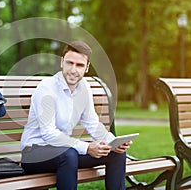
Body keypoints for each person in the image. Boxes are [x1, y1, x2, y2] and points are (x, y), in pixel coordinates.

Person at [20, 41, 131, 190]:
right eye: (69, 63)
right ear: (61, 62)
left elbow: (92, 124)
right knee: (69, 154)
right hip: (34, 153)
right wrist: (87, 148)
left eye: (79, 65)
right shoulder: (47, 88)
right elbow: (49, 134)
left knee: (116, 154)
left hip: (64, 153)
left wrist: (113, 142)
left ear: (87, 67)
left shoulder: (84, 87)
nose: (73, 70)